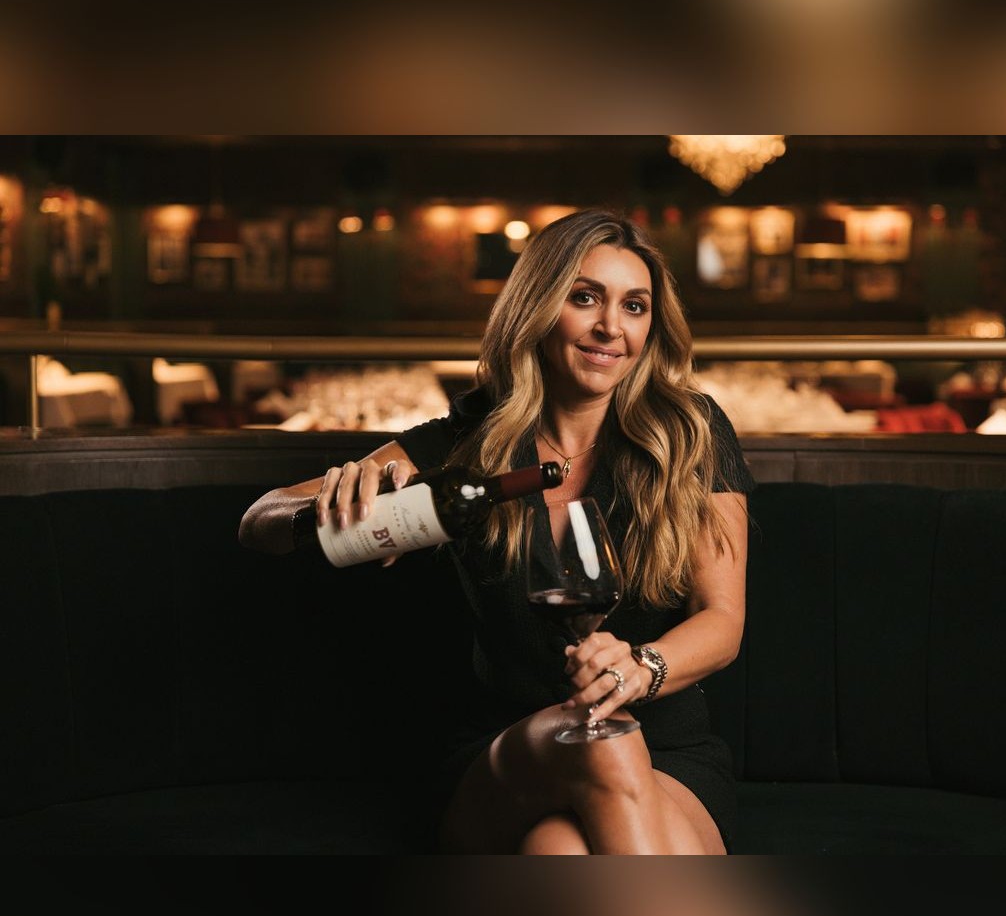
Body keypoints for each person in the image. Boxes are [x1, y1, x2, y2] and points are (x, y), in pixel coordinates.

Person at [238, 207, 754, 854]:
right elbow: (256, 524)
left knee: (558, 850)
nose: (609, 327)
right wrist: (329, 500)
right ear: (539, 307)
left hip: (670, 752)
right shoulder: (460, 450)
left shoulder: (691, 434)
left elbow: (722, 619)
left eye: (634, 306)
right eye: (585, 297)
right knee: (600, 749)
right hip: (504, 752)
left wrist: (640, 668)